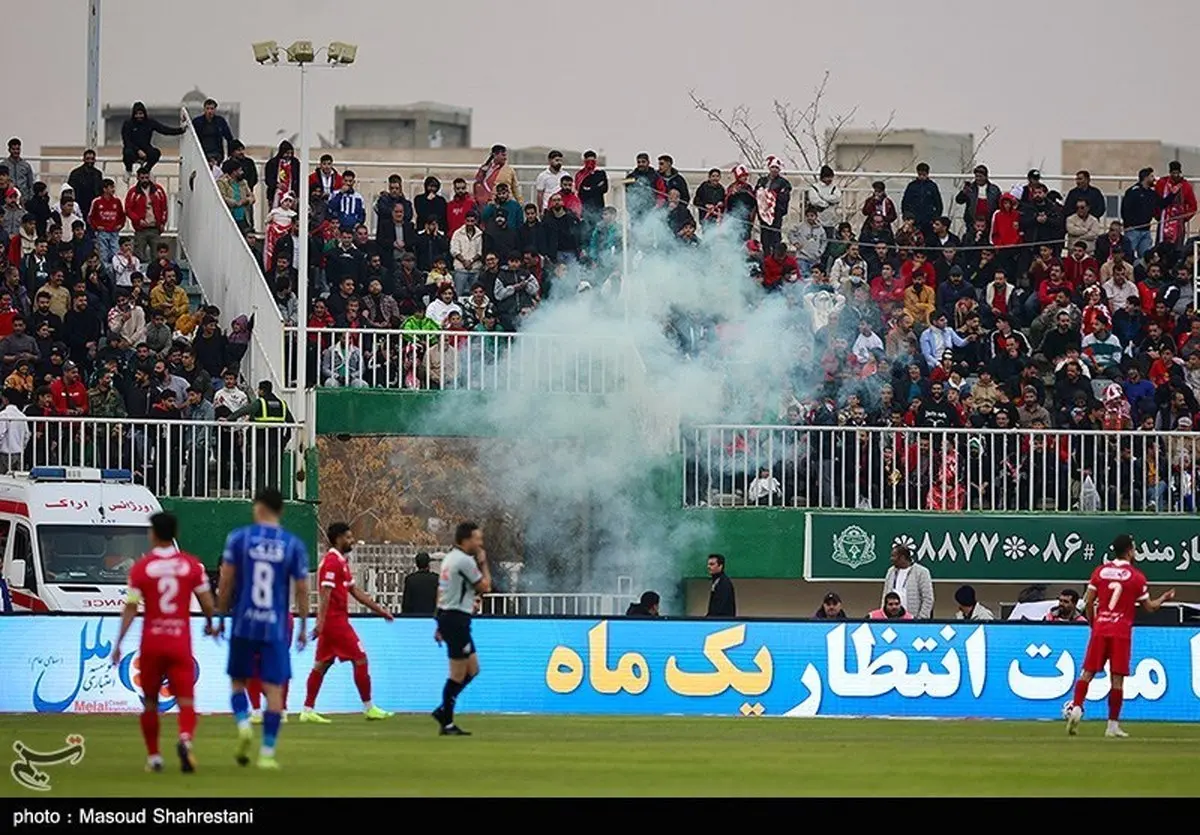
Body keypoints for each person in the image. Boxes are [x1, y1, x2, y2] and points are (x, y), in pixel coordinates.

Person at [112, 512, 218, 773]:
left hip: (152, 643)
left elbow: (131, 607)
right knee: (186, 701)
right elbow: (207, 602)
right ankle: (185, 738)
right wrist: (210, 623)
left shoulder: (141, 568)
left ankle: (154, 757)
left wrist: (118, 642)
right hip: (179, 643)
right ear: (175, 534)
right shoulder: (191, 566)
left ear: (153, 534)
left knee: (150, 702)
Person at [217, 488, 310, 769]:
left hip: (244, 623)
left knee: (238, 681)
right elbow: (302, 589)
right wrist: (303, 625)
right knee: (274, 689)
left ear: (258, 508)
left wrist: (220, 617)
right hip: (275, 626)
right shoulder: (293, 544)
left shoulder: (239, 538)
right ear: (281, 510)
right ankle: (267, 753)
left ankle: (244, 724)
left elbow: (226, 582)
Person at [1064, 534, 1175, 738]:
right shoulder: (1136, 577)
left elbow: (1089, 602)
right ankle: (1112, 725)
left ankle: (1077, 707)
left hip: (1101, 627)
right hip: (1121, 631)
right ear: (1130, 551)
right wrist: (1164, 598)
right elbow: (1149, 607)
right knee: (1117, 679)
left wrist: (1094, 623)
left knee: (1087, 672)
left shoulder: (1100, 572)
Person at [300, 522, 396, 723]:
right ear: (339, 539)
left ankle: (307, 710)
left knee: (322, 664)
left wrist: (380, 610)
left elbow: (355, 591)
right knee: (360, 658)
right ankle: (369, 708)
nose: (352, 541)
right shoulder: (332, 562)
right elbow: (325, 593)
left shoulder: (340, 561)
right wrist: (321, 622)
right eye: (349, 537)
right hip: (335, 622)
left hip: (332, 622)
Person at [432, 521, 491, 736]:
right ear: (466, 540)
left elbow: (441, 592)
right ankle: (446, 721)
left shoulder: (449, 558)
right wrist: (483, 563)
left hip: (450, 617)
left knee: (473, 669)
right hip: (456, 619)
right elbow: (485, 586)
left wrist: (439, 623)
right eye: (477, 538)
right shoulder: (465, 561)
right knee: (457, 674)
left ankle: (443, 710)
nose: (480, 543)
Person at [881, 544, 935, 619]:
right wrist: (883, 617)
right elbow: (885, 597)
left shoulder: (921, 572)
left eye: (894, 556)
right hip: (891, 620)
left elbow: (928, 599)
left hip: (913, 619)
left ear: (902, 557)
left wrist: (921, 619)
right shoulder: (890, 571)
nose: (891, 559)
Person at [705, 553, 736, 618]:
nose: (708, 567)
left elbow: (720, 607)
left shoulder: (724, 583)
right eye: (708, 564)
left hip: (722, 621)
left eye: (712, 564)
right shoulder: (717, 581)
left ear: (720, 566)